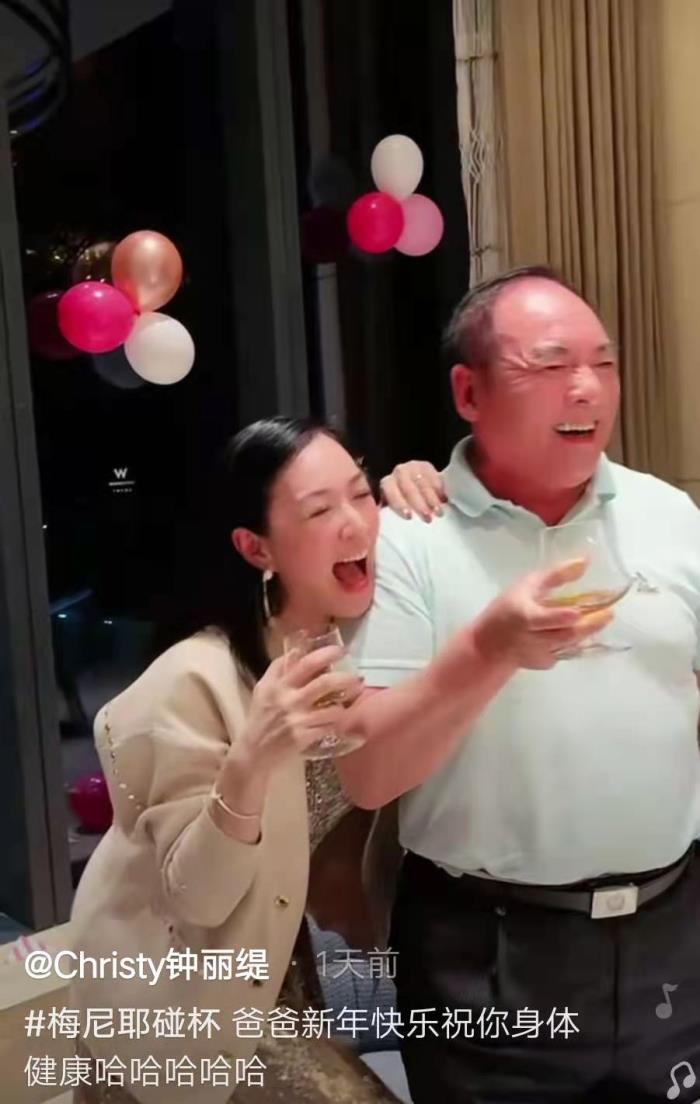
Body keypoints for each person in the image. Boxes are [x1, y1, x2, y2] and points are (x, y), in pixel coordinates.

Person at [70, 413, 604, 1104]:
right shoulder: (194, 679)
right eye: (320, 510)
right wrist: (252, 759)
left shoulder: (369, 642)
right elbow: (196, 899)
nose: (357, 523)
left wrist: (423, 486)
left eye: (361, 493)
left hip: (280, 958)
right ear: (256, 547)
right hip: (178, 987)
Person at [339, 266, 700, 1104]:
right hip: (488, 952)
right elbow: (368, 774)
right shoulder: (410, 539)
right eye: (550, 364)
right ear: (469, 392)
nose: (588, 388)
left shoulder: (669, 516)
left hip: (673, 930)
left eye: (603, 363)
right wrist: (490, 649)